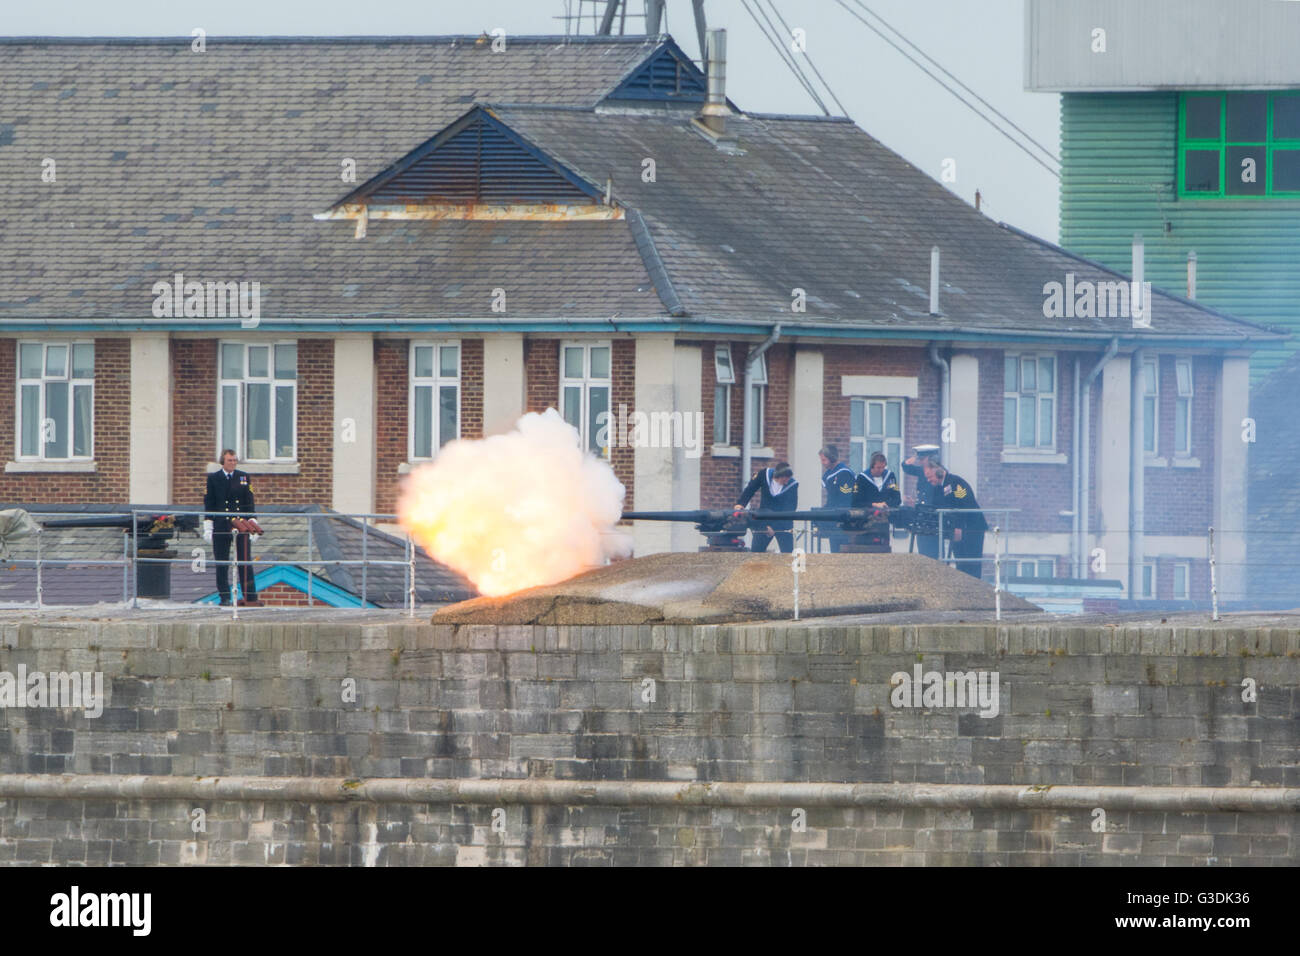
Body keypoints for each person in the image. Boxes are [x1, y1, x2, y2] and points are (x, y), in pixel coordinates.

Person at [204, 449, 261, 606]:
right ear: (223, 462)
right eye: (230, 460)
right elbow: (210, 502)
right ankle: (225, 597)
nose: (233, 463)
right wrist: (208, 525)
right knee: (222, 562)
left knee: (244, 561)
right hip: (222, 524)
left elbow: (249, 502)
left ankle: (250, 596)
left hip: (241, 524)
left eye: (235, 460)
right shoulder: (214, 479)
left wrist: (253, 523)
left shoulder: (242, 477)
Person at [925, 460, 988, 578]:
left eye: (930, 476)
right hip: (955, 529)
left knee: (971, 562)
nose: (928, 480)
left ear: (938, 472)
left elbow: (965, 504)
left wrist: (959, 526)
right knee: (961, 563)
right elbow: (935, 506)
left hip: (971, 529)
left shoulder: (957, 483)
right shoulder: (938, 488)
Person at [736, 462, 798, 553]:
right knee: (757, 551)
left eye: (788, 478)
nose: (787, 481)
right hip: (764, 520)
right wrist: (741, 504)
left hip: (783, 523)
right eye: (785, 478)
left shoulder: (792, 485)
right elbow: (750, 488)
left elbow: (791, 507)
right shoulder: (764, 475)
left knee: (787, 553)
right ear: (779, 475)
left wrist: (774, 526)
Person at [902, 448, 943, 558]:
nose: (919, 462)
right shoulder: (922, 471)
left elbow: (933, 498)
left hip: (932, 520)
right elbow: (906, 468)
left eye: (922, 459)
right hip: (923, 517)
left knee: (933, 554)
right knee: (923, 553)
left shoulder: (939, 473)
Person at [818, 445, 856, 552]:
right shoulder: (827, 475)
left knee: (842, 551)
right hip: (834, 518)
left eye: (824, 460)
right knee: (834, 550)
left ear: (832, 457)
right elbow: (831, 498)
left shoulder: (844, 473)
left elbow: (845, 499)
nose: (822, 462)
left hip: (844, 521)